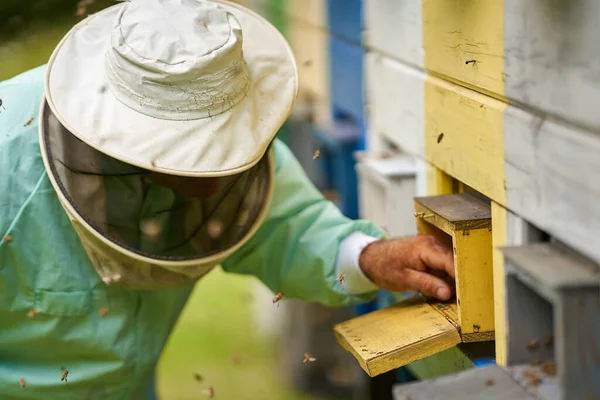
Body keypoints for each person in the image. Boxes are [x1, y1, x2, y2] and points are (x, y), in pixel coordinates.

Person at [0, 0, 454, 397]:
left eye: (225, 148)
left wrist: (373, 256)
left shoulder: (211, 98)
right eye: (196, 155)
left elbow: (289, 226)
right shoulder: (8, 162)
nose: (217, 178)